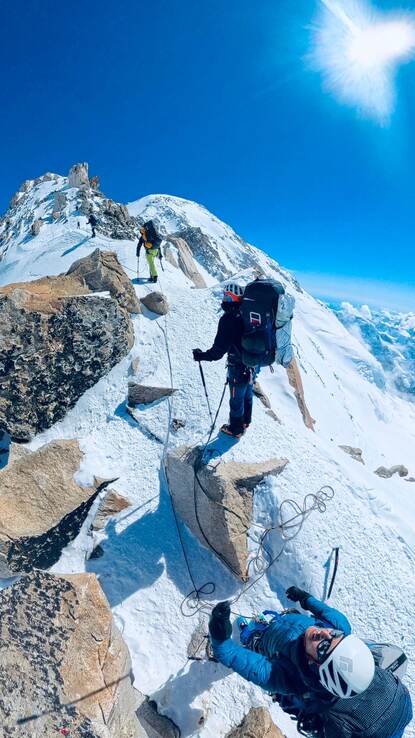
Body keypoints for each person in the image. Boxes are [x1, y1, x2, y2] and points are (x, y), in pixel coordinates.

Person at [208, 589, 412, 738]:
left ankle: (252, 637)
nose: (324, 633)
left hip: (272, 641)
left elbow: (253, 667)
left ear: (315, 666)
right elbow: (330, 615)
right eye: (335, 636)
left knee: (259, 641)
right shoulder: (339, 627)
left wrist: (221, 641)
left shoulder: (290, 679)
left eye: (324, 647)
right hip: (292, 625)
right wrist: (307, 600)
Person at [192, 282, 257, 438]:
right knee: (248, 392)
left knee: (236, 398)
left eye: (226, 296)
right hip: (252, 363)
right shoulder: (247, 313)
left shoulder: (228, 319)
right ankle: (245, 421)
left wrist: (201, 355)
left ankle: (236, 430)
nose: (224, 299)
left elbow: (218, 351)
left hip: (237, 367)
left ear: (231, 297)